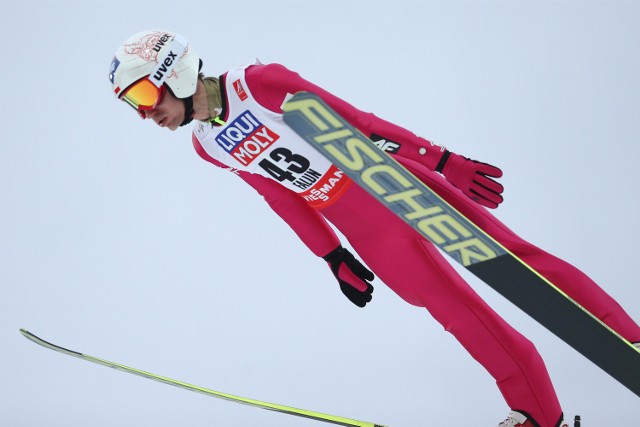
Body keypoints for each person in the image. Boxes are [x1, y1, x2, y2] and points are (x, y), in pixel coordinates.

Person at [109, 30, 640, 427]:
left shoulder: (257, 84)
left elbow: (354, 122)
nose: (145, 115)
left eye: (144, 98)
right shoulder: (208, 146)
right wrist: (332, 257)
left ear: (173, 73)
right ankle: (536, 414)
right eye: (133, 106)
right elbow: (280, 196)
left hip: (390, 186)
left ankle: (629, 341)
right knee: (458, 314)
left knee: (514, 262)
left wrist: (441, 160)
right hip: (360, 226)